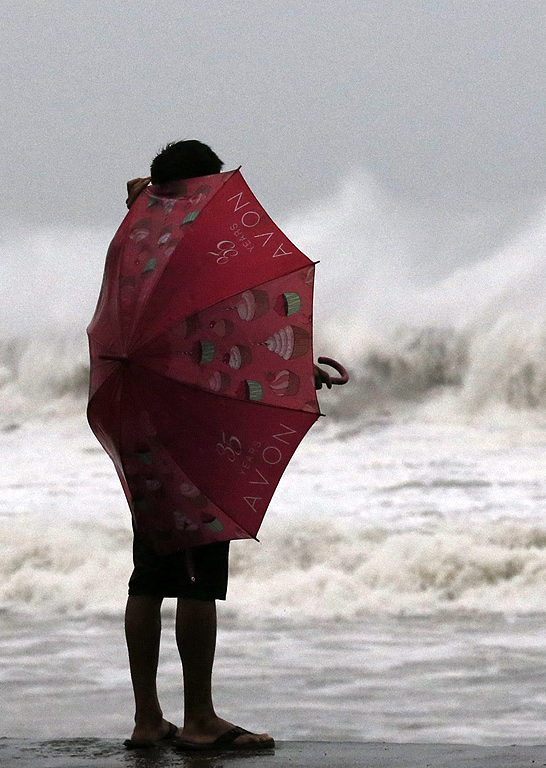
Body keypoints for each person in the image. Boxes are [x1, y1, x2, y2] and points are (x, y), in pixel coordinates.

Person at [120, 140, 323, 753]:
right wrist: (294, 370)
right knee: (197, 580)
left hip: (140, 420)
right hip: (194, 433)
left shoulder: (139, 247)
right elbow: (229, 339)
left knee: (147, 578)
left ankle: (147, 719)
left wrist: (147, 197)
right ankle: (201, 719)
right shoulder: (197, 258)